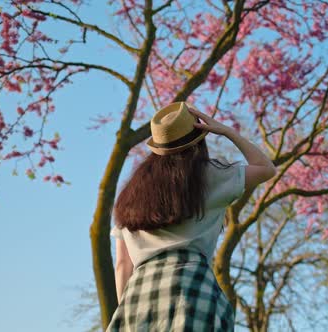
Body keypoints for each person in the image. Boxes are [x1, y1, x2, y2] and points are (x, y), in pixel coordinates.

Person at [106, 102, 276, 331]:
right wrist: (226, 131)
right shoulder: (210, 177)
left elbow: (123, 265)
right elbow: (266, 168)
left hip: (140, 292)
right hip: (192, 288)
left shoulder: (131, 196)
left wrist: (128, 308)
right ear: (199, 139)